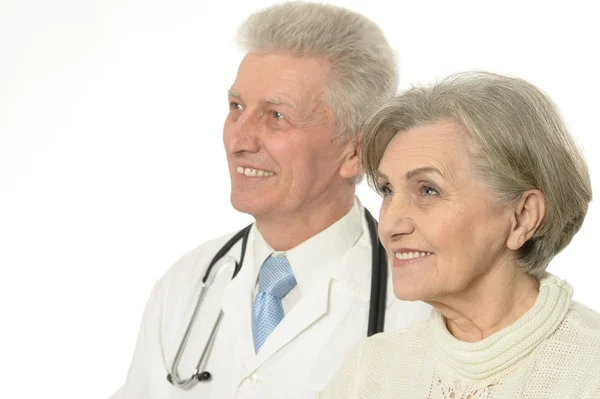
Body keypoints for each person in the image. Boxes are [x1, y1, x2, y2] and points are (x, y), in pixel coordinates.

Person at [110, 2, 431, 398]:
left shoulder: (419, 306)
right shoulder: (186, 285)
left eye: (276, 116)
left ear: (355, 151)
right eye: (236, 107)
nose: (238, 141)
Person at [319, 72, 600, 398]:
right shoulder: (372, 371)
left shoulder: (588, 370)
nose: (389, 225)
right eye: (387, 190)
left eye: (428, 190)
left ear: (523, 216)